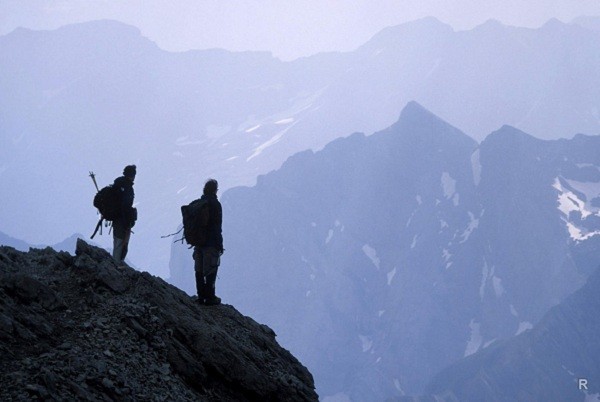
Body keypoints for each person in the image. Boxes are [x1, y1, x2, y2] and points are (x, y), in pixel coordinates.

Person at [194, 179, 224, 305]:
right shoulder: (215, 204)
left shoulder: (199, 203)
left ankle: (201, 296)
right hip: (211, 242)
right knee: (211, 269)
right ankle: (210, 297)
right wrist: (219, 244)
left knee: (199, 270)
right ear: (214, 190)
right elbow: (217, 226)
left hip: (198, 242)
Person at [112, 165, 137, 265]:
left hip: (116, 218)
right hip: (122, 220)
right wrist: (128, 222)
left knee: (117, 242)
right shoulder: (127, 187)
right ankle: (116, 265)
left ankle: (116, 263)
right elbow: (125, 206)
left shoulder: (118, 184)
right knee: (121, 244)